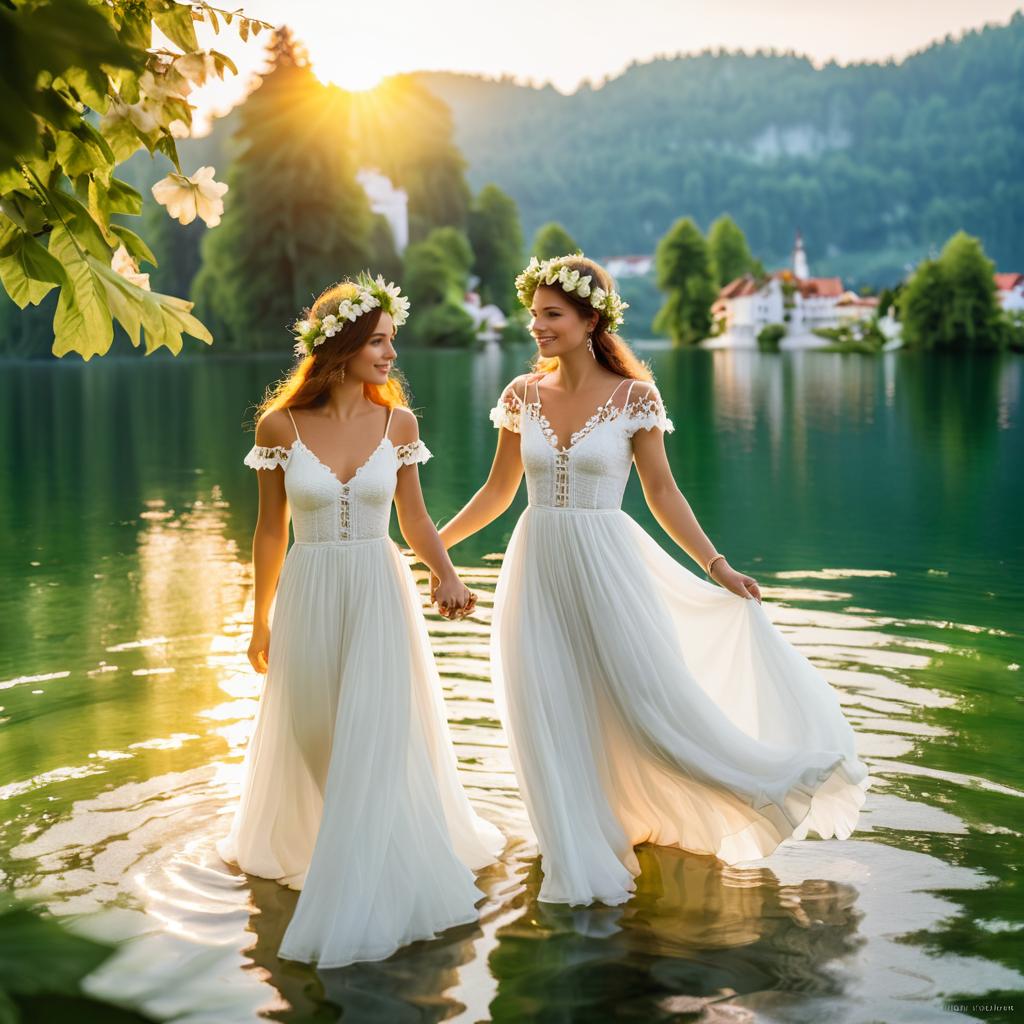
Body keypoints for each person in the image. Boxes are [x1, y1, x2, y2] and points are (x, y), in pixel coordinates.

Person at [435, 254, 870, 907]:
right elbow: (498, 493)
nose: (538, 328)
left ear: (590, 319)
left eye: (551, 315)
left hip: (609, 567)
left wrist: (716, 564)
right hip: (535, 570)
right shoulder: (521, 395)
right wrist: (433, 546)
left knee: (646, 705)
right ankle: (577, 843)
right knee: (547, 706)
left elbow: (662, 491)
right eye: (535, 317)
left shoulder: (635, 397)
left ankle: (761, 782)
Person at [217, 274, 503, 967]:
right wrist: (259, 621)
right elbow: (268, 532)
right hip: (309, 595)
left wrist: (446, 571)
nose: (389, 355)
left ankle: (379, 874)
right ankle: (333, 851)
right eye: (378, 342)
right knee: (317, 734)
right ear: (340, 346)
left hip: (380, 594)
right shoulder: (277, 427)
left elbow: (414, 519)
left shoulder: (397, 424)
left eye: (391, 342)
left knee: (375, 737)